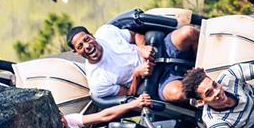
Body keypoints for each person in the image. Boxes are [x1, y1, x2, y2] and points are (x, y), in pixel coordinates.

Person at [68, 23, 199, 104]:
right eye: (80, 46)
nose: (87, 46)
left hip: (160, 51)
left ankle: (209, 61)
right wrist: (136, 74)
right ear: (76, 52)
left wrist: (142, 48)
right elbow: (129, 95)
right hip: (156, 81)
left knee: (188, 32)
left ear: (92, 35)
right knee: (179, 93)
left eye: (87, 39)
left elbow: (135, 35)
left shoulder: (106, 32)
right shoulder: (97, 82)